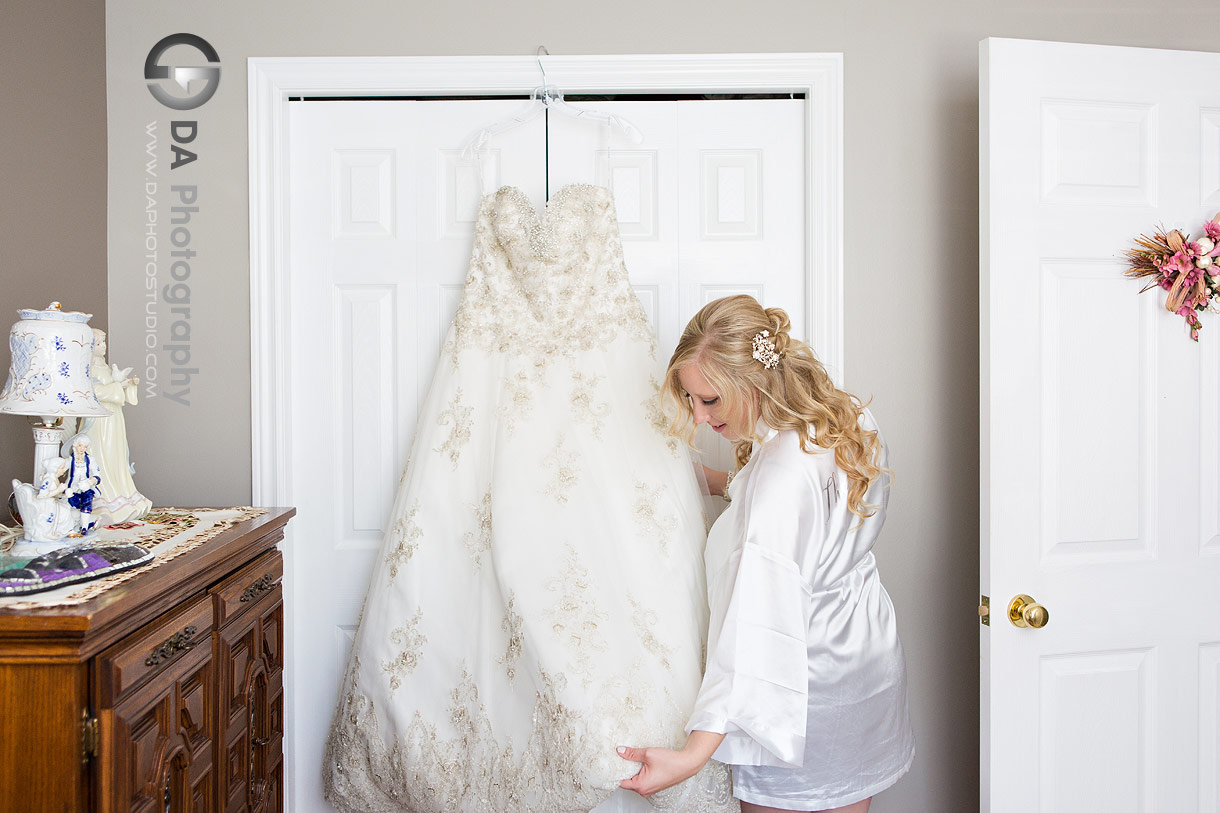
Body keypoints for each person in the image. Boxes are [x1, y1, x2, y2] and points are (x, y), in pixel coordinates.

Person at [618, 295, 914, 813]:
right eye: (691, 399)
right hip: (863, 662)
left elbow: (755, 622)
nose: (699, 415)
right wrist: (714, 483)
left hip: (803, 692)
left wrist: (693, 753)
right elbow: (812, 517)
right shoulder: (845, 418)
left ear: (752, 384)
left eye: (710, 400)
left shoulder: (779, 476)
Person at [80, 328, 152, 524]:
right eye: (98, 343)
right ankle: (105, 499)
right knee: (102, 455)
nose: (103, 347)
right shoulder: (87, 369)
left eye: (104, 342)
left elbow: (117, 391)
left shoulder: (106, 368)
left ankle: (123, 494)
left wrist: (129, 384)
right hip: (99, 420)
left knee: (116, 455)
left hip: (114, 418)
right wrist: (117, 387)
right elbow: (93, 392)